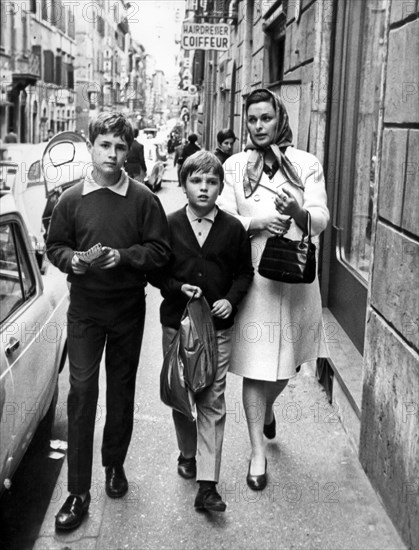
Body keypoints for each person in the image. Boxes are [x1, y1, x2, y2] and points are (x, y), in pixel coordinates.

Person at [46, 112, 171, 531]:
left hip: (127, 310)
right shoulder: (70, 200)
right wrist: (74, 262)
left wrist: (126, 257)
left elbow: (159, 251)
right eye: (105, 145)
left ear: (128, 150)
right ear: (91, 146)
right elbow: (55, 246)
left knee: (120, 391)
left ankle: (114, 465)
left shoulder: (143, 199)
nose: (112, 154)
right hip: (84, 309)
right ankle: (78, 490)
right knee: (81, 393)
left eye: (120, 147)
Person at [217, 88, 329, 491]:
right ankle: (256, 452)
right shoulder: (233, 166)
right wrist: (263, 221)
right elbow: (224, 218)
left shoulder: (306, 163)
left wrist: (297, 212)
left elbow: (321, 216)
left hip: (297, 277)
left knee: (290, 364)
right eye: (252, 119)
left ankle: (267, 411)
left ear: (278, 119)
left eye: (265, 118)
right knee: (254, 364)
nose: (259, 126)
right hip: (255, 277)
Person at [149, 150, 254, 512]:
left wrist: (231, 300)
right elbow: (156, 273)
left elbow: (245, 273)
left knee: (212, 398)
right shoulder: (168, 225)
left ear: (221, 187)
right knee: (182, 392)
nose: (204, 188)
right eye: (196, 181)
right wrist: (178, 287)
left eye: (211, 182)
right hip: (176, 324)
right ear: (183, 185)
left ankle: (207, 484)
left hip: (217, 328)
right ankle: (187, 452)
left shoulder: (233, 229)